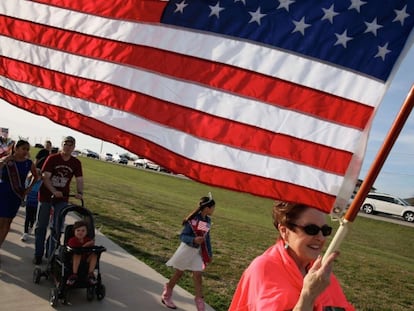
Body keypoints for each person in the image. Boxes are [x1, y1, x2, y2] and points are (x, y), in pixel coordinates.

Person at [228, 201, 355, 311]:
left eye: (325, 230)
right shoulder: (264, 268)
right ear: (284, 231)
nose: (321, 238)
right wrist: (308, 295)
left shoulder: (321, 274)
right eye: (311, 229)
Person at [33, 136, 84, 265]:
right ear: (62, 145)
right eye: (65, 144)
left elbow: (79, 179)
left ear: (74, 147)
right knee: (41, 225)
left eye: (70, 145)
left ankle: (50, 254)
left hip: (62, 197)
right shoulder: (52, 158)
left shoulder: (76, 163)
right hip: (46, 195)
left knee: (57, 227)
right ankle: (38, 253)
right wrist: (53, 191)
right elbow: (45, 177)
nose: (68, 147)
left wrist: (79, 192)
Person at [161, 194, 216, 311]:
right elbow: (182, 236)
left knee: (198, 275)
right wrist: (193, 239)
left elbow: (207, 238)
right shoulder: (193, 220)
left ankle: (199, 300)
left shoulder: (207, 220)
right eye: (213, 208)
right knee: (178, 274)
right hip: (186, 250)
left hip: (197, 252)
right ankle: (167, 294)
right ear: (207, 208)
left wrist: (209, 254)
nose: (214, 210)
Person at [0, 140, 38, 249]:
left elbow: (36, 176)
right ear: (16, 148)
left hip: (16, 195)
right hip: (3, 192)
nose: (25, 151)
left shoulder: (28, 163)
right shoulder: (7, 160)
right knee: (1, 220)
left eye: (27, 149)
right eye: (23, 149)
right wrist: (5, 161)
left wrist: (28, 189)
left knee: (8, 222)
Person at [66, 220, 98, 286]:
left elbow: (91, 249)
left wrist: (92, 245)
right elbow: (75, 250)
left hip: (85, 259)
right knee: (78, 254)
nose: (80, 232)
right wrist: (85, 245)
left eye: (83, 231)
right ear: (74, 231)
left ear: (86, 232)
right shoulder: (72, 240)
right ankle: (74, 275)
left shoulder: (87, 240)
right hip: (73, 260)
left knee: (94, 254)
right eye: (78, 230)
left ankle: (90, 274)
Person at [21, 168, 42, 242]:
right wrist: (23, 199)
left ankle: (31, 226)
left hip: (37, 203)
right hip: (29, 202)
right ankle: (25, 233)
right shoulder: (28, 180)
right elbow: (25, 190)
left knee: (33, 217)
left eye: (38, 175)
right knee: (27, 217)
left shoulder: (41, 183)